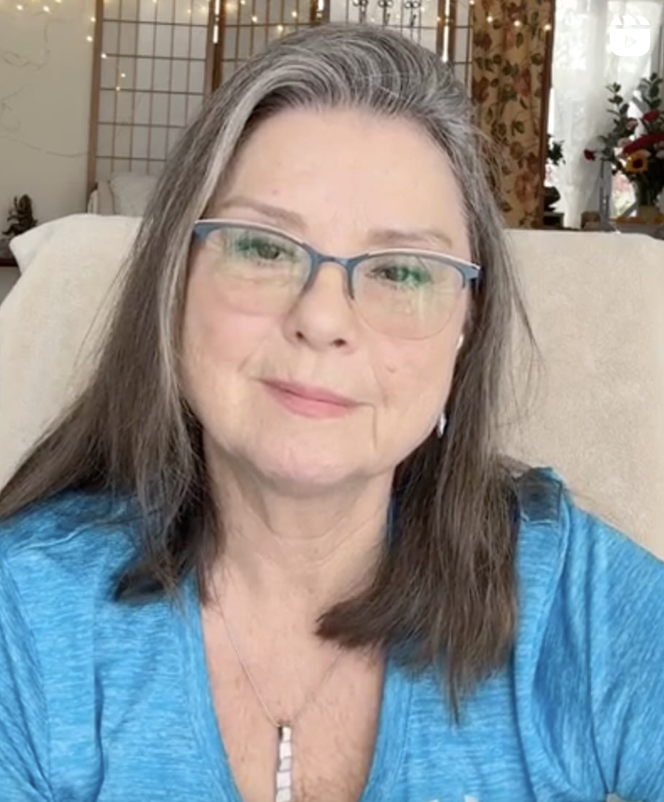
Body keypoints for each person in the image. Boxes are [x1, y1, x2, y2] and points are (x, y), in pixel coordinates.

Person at [0, 22, 663, 802]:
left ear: (464, 327)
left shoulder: (569, 602)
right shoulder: (27, 616)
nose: (323, 318)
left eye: (403, 271)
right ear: (174, 287)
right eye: (262, 247)